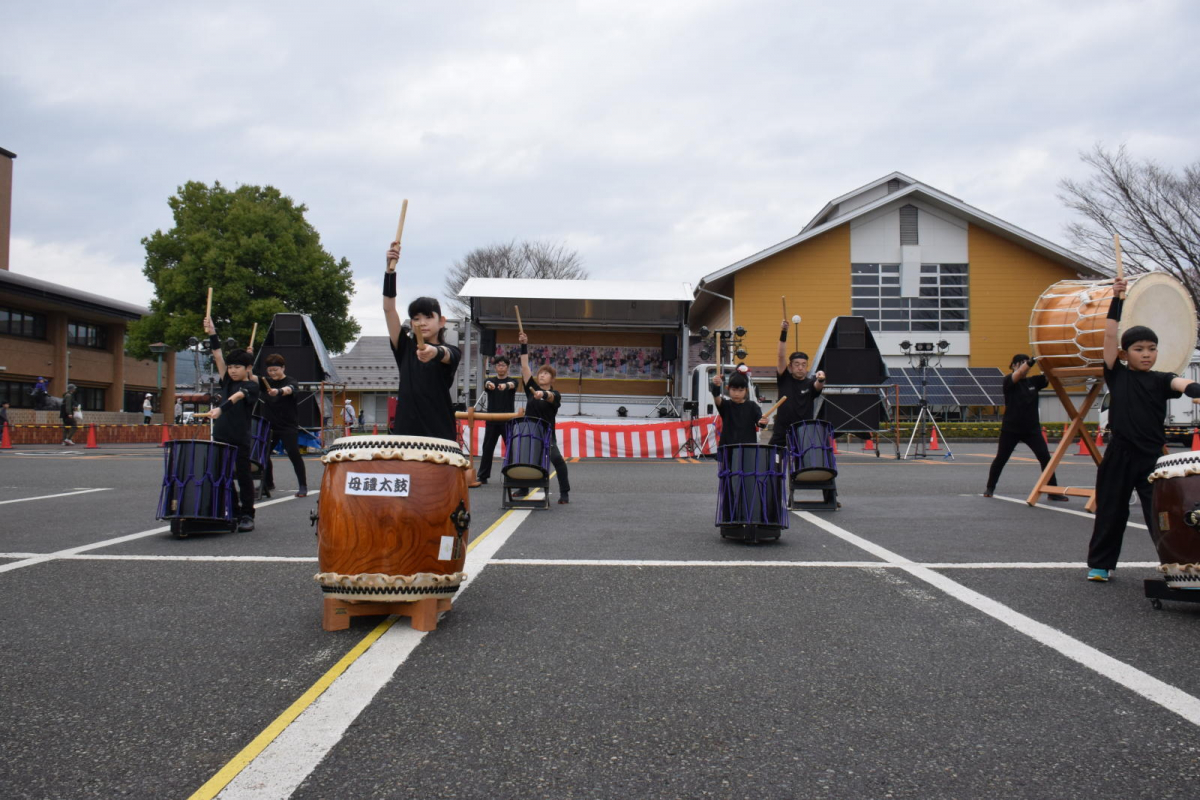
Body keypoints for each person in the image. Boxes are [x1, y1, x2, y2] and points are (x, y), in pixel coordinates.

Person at [1085, 276, 1200, 582]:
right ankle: (1100, 565)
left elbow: (1181, 383)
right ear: (1125, 354)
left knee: (1163, 516)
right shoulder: (1117, 375)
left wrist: (1194, 388)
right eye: (1139, 348)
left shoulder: (1161, 379)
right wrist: (1117, 299)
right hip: (1119, 456)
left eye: (1152, 348)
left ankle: (1178, 567)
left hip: (1152, 459)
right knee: (1111, 512)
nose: (1147, 353)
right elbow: (1110, 336)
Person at [383, 241, 461, 441]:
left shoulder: (451, 350)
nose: (422, 322)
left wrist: (433, 352)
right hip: (405, 429)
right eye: (416, 318)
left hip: (439, 431)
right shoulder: (404, 347)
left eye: (428, 317)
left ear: (442, 321)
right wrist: (389, 270)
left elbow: (446, 354)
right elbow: (389, 309)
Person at [202, 316, 260, 532]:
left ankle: (247, 514)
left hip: (239, 438)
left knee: (243, 476)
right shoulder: (226, 380)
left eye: (238, 367)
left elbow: (237, 398)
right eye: (232, 367)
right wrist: (212, 332)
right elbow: (217, 354)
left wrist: (220, 409)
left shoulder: (251, 386)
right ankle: (232, 511)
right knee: (222, 475)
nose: (233, 370)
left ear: (248, 368)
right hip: (221, 436)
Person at [984, 354, 1067, 501]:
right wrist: (1031, 361)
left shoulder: (1033, 381)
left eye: (1026, 363)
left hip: (1032, 429)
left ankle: (1053, 491)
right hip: (1011, 429)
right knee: (1001, 458)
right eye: (1021, 363)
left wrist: (1046, 360)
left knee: (1045, 458)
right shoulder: (1009, 381)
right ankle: (990, 487)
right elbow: (1020, 373)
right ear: (1014, 365)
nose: (1025, 367)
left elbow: (1048, 375)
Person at [518, 330, 571, 504]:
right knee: (525, 459)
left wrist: (543, 394)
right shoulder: (530, 388)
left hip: (546, 433)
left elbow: (551, 397)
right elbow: (525, 367)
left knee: (557, 460)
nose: (541, 375)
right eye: (540, 372)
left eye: (546, 373)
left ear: (552, 379)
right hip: (530, 430)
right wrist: (524, 344)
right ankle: (524, 488)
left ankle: (564, 493)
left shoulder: (555, 394)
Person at [257, 353, 308, 498]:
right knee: (263, 454)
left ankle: (303, 485)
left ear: (283, 368)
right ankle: (268, 483)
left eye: (275, 370)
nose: (272, 373)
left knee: (293, 453)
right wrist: (248, 360)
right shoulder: (264, 381)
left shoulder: (291, 380)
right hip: (269, 424)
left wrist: (277, 391)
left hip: (287, 425)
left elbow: (289, 389)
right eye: (270, 370)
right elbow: (249, 376)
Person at [769, 318, 826, 448]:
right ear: (790, 366)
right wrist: (784, 331)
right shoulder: (784, 378)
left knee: (801, 464)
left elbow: (818, 386)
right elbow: (780, 356)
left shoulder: (810, 383)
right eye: (797, 364)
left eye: (803, 365)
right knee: (774, 462)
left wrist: (821, 379)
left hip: (803, 430)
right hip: (782, 430)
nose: (800, 367)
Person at [475, 356, 519, 485]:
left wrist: (505, 385)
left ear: (507, 368)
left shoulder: (513, 381)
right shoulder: (490, 381)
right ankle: (483, 476)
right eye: (499, 365)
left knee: (510, 448)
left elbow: (512, 385)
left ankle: (511, 475)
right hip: (492, 420)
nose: (501, 367)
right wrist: (491, 385)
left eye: (503, 365)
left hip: (507, 421)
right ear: (495, 367)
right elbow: (487, 385)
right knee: (487, 448)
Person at [712, 368, 768, 447]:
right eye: (734, 390)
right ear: (728, 389)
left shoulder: (752, 406)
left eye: (741, 390)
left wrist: (763, 421)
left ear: (746, 390)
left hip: (748, 448)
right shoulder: (725, 405)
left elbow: (759, 422)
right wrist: (716, 386)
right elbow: (716, 397)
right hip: (728, 448)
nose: (737, 393)